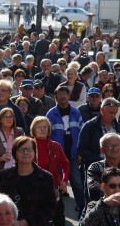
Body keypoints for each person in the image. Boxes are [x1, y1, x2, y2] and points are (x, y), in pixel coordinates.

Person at [0, 136, 57, 225]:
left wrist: (27, 222)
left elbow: (50, 208)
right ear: (14, 153)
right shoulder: (4, 175)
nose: (26, 152)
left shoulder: (46, 177)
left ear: (34, 152)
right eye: (21, 149)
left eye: (29, 149)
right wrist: (10, 220)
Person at [46, 85, 85, 214]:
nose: (62, 96)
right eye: (59, 94)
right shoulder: (51, 114)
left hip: (73, 154)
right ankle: (54, 209)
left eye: (65, 94)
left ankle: (82, 207)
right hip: (56, 155)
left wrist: (80, 152)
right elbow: (46, 136)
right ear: (56, 97)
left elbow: (81, 133)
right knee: (54, 183)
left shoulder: (76, 112)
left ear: (69, 96)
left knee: (77, 183)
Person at [31, 116, 70, 226]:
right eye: (39, 127)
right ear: (33, 130)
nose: (42, 129)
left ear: (49, 129)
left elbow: (66, 164)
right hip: (34, 190)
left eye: (45, 127)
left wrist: (64, 180)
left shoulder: (56, 146)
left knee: (59, 220)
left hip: (54, 190)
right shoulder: (28, 145)